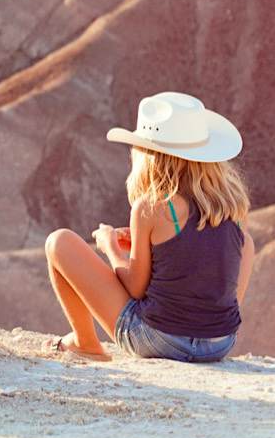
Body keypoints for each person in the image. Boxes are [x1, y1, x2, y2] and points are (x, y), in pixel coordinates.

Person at [45, 91, 255, 363]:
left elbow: (135, 288)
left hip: (160, 341)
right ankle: (84, 342)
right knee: (246, 244)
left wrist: (110, 246)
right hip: (219, 344)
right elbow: (224, 296)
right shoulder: (234, 215)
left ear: (148, 155)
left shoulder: (153, 207)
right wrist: (166, 259)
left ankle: (84, 342)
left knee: (59, 242)